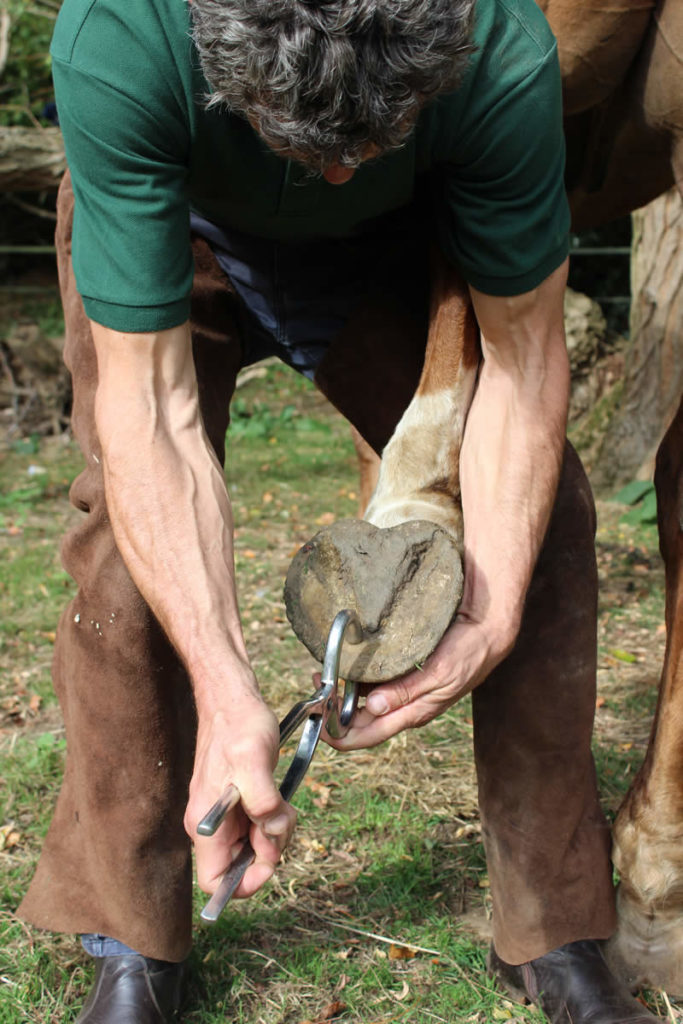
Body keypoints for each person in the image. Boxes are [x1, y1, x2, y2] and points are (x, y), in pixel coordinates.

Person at [17, 0, 660, 1020]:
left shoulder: (494, 48)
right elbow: (154, 419)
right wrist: (229, 688)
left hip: (388, 239)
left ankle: (554, 925)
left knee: (546, 527)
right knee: (120, 559)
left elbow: (523, 365)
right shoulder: (122, 36)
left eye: (364, 139)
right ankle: (132, 936)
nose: (330, 167)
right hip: (178, 222)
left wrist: (487, 622)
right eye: (306, 145)